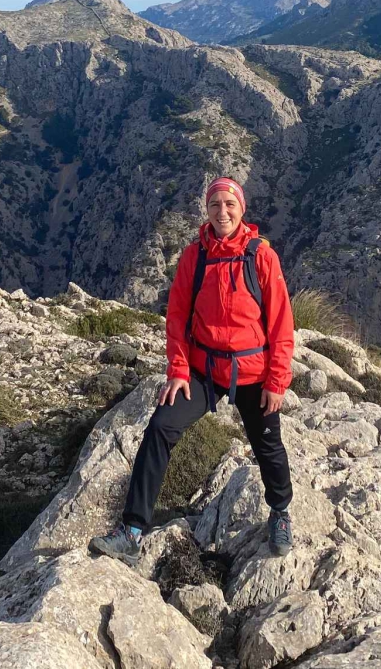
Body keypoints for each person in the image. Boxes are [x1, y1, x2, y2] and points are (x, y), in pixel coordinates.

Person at [89, 177, 296, 564]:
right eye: (215, 204)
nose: (222, 212)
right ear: (207, 209)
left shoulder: (261, 256)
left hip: (252, 372)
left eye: (229, 205)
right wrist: (179, 371)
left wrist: (277, 379)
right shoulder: (194, 256)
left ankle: (280, 513)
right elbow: (178, 316)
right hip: (203, 370)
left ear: (242, 209)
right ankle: (132, 530)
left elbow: (282, 323)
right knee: (161, 427)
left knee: (268, 446)